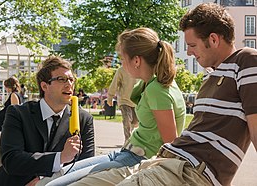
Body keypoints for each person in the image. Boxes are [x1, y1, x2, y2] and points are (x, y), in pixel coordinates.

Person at [67, 3, 257, 186]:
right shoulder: (210, 78)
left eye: (192, 45)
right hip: (165, 162)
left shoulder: (247, 60)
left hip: (187, 170)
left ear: (214, 39)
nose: (189, 52)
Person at [37, 27, 186, 186]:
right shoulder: (151, 84)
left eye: (122, 59)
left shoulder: (157, 90)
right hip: (125, 152)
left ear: (136, 61)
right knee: (50, 179)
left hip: (136, 159)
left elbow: (169, 144)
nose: (121, 64)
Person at [0, 56, 95, 186]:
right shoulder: (18, 114)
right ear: (44, 86)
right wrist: (61, 157)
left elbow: (86, 166)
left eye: (72, 80)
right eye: (61, 79)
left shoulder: (83, 119)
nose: (69, 84)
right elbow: (12, 160)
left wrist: (45, 180)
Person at [107, 66, 138, 143]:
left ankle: (133, 139)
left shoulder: (141, 68)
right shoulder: (121, 70)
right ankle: (127, 142)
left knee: (135, 122)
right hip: (124, 100)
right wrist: (110, 96)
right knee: (127, 121)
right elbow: (115, 83)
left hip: (136, 101)